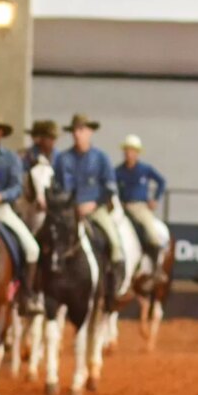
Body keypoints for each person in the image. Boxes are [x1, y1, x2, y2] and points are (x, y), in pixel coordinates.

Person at [0, 111, 42, 315]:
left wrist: (0, 196)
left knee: (32, 248)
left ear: (0, 134)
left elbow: (17, 187)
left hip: (1, 209)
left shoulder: (11, 158)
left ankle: (26, 296)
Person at [53, 114, 126, 297]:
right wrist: (69, 206)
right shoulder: (63, 159)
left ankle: (114, 281)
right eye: (76, 130)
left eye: (82, 130)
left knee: (115, 242)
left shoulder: (101, 158)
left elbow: (110, 188)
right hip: (69, 213)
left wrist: (93, 204)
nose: (78, 134)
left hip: (95, 211)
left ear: (90, 132)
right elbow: (56, 187)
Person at [115, 134, 169, 283]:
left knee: (152, 233)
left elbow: (161, 181)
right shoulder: (118, 171)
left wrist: (155, 199)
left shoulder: (145, 169)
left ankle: (156, 268)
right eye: (126, 150)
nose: (129, 153)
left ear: (137, 153)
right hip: (123, 207)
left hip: (140, 207)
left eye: (132, 150)